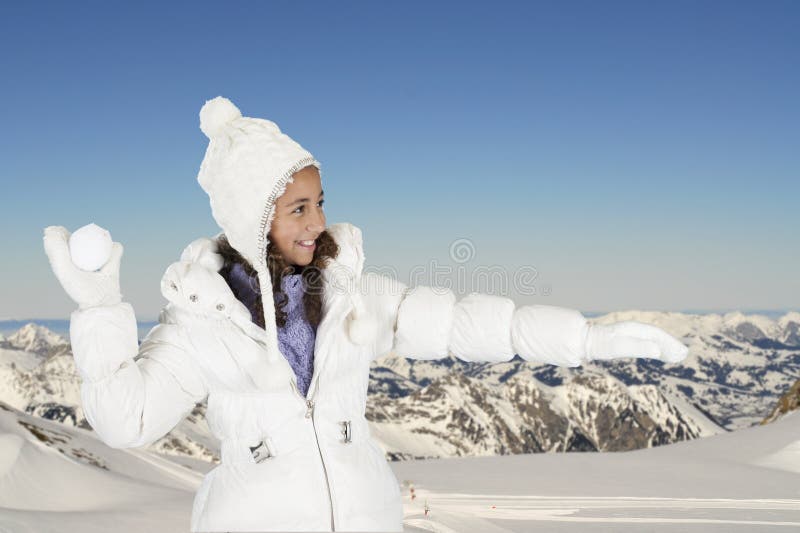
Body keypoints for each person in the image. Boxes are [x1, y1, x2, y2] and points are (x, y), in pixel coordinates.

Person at [42, 96, 689, 532]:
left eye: (320, 201)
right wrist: (99, 308)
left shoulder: (355, 296)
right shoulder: (199, 322)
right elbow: (125, 420)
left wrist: (588, 337)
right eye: (299, 207)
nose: (319, 221)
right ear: (251, 216)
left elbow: (474, 322)